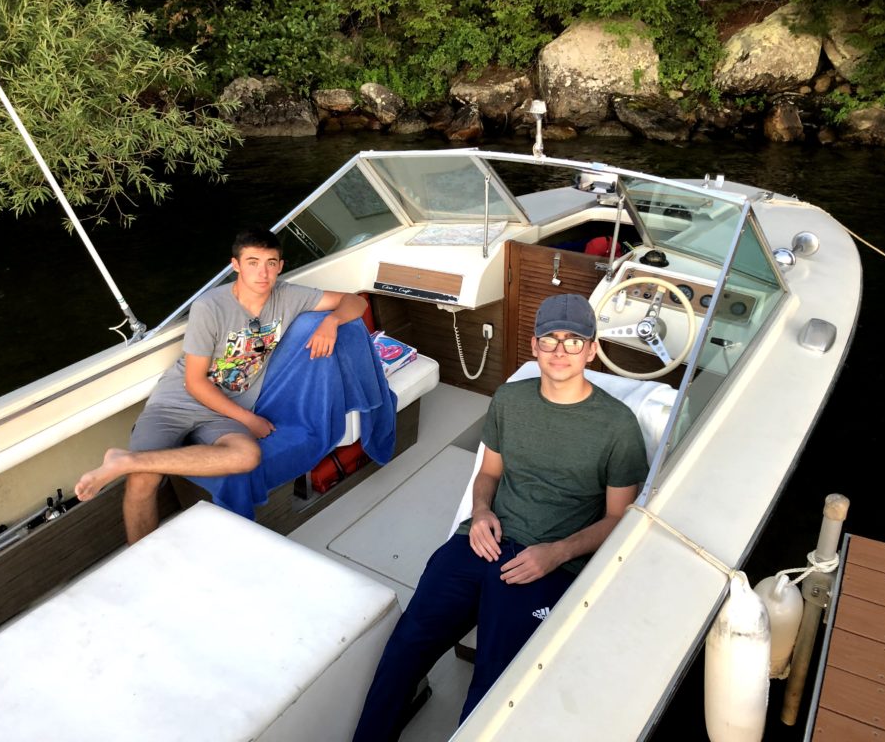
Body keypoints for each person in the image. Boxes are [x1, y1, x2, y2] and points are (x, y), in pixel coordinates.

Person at [352, 293, 649, 741]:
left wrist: (556, 553)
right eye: (550, 339)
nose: (560, 351)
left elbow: (617, 519)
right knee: (405, 645)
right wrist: (480, 512)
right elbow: (489, 473)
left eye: (573, 341)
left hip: (549, 563)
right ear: (534, 346)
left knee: (494, 680)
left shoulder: (618, 426)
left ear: (591, 350)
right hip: (479, 541)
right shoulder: (509, 399)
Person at [74, 228, 367, 544]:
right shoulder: (210, 306)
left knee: (247, 456)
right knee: (143, 479)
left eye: (270, 263)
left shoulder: (288, 296)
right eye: (252, 262)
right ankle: (141, 549)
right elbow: (194, 382)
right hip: (177, 402)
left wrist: (331, 322)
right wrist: (249, 419)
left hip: (224, 412)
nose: (263, 272)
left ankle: (127, 460)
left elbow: (353, 302)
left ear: (280, 266)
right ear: (236, 265)